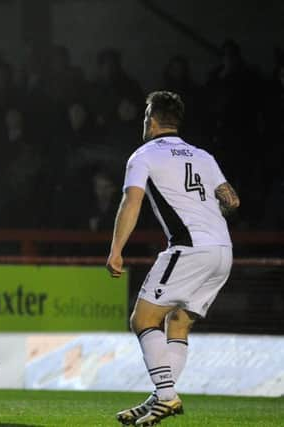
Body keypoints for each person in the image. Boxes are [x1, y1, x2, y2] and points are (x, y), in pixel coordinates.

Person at [105, 91, 239, 426]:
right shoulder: (203, 156)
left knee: (142, 319)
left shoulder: (144, 155)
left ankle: (166, 395)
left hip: (189, 248)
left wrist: (116, 250)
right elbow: (232, 201)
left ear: (150, 118)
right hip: (223, 250)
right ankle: (160, 396)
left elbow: (131, 203)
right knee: (177, 322)